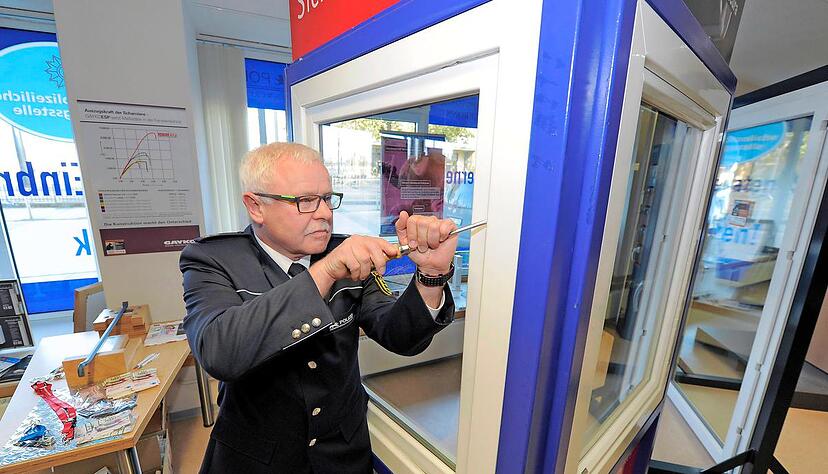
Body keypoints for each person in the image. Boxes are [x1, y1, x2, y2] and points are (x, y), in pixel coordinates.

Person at [180, 142, 458, 473]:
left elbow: (399, 336)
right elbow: (220, 351)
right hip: (259, 458)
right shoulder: (214, 260)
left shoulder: (345, 252)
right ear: (256, 206)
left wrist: (432, 274)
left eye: (327, 199)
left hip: (342, 452)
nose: (325, 213)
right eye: (305, 201)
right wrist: (323, 273)